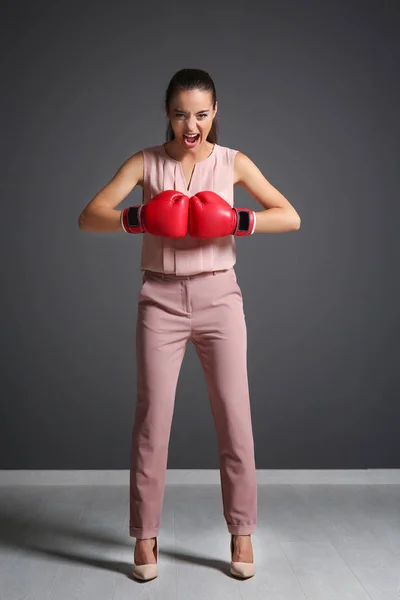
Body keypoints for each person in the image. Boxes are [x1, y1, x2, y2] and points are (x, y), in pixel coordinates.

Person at [78, 68, 301, 582]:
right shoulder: (146, 161)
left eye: (201, 113)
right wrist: (137, 218)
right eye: (181, 113)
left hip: (220, 296)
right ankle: (145, 535)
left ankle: (241, 530)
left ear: (215, 112)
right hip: (159, 299)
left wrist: (238, 220)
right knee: (153, 420)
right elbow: (89, 216)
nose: (191, 124)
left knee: (234, 416)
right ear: (168, 113)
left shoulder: (233, 162)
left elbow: (289, 216)